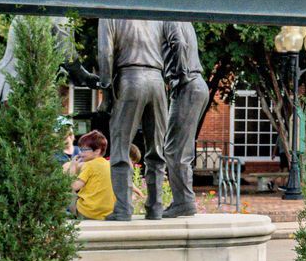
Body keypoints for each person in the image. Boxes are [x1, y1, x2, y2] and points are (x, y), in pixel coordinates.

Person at [97, 18, 168, 221]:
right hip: (157, 81)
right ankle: (155, 208)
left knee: (120, 148)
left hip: (130, 79)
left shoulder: (110, 14)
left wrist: (106, 94)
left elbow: (105, 53)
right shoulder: (153, 15)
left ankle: (123, 209)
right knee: (156, 149)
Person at [159, 21, 209, 217]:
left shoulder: (168, 17)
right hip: (196, 84)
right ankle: (183, 201)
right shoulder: (183, 19)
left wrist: (180, 76)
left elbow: (178, 43)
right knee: (180, 148)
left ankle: (184, 202)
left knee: (174, 149)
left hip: (188, 85)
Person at [69, 131, 113, 220]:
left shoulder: (89, 165)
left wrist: (72, 167)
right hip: (107, 213)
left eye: (84, 150)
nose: (81, 153)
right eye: (81, 150)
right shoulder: (109, 164)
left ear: (97, 151)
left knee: (66, 191)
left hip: (88, 212)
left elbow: (74, 187)